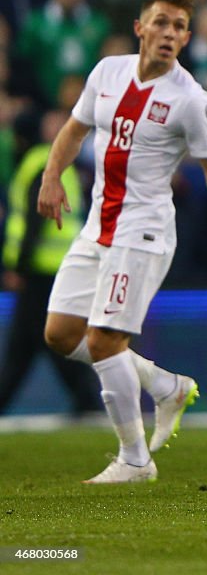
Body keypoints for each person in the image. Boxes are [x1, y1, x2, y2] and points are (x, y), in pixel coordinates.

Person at [38, 0, 207, 484]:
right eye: (161, 22)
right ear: (140, 28)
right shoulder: (107, 73)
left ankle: (135, 460)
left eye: (180, 27)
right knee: (60, 333)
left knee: (102, 340)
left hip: (143, 234)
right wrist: (53, 175)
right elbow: (74, 130)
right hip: (98, 225)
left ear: (185, 39)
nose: (170, 33)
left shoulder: (190, 100)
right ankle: (165, 385)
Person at [0, 110, 101, 416]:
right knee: (46, 341)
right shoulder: (60, 164)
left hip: (42, 269)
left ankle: (88, 401)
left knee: (33, 344)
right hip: (61, 267)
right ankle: (87, 402)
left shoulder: (37, 165)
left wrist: (20, 266)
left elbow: (36, 217)